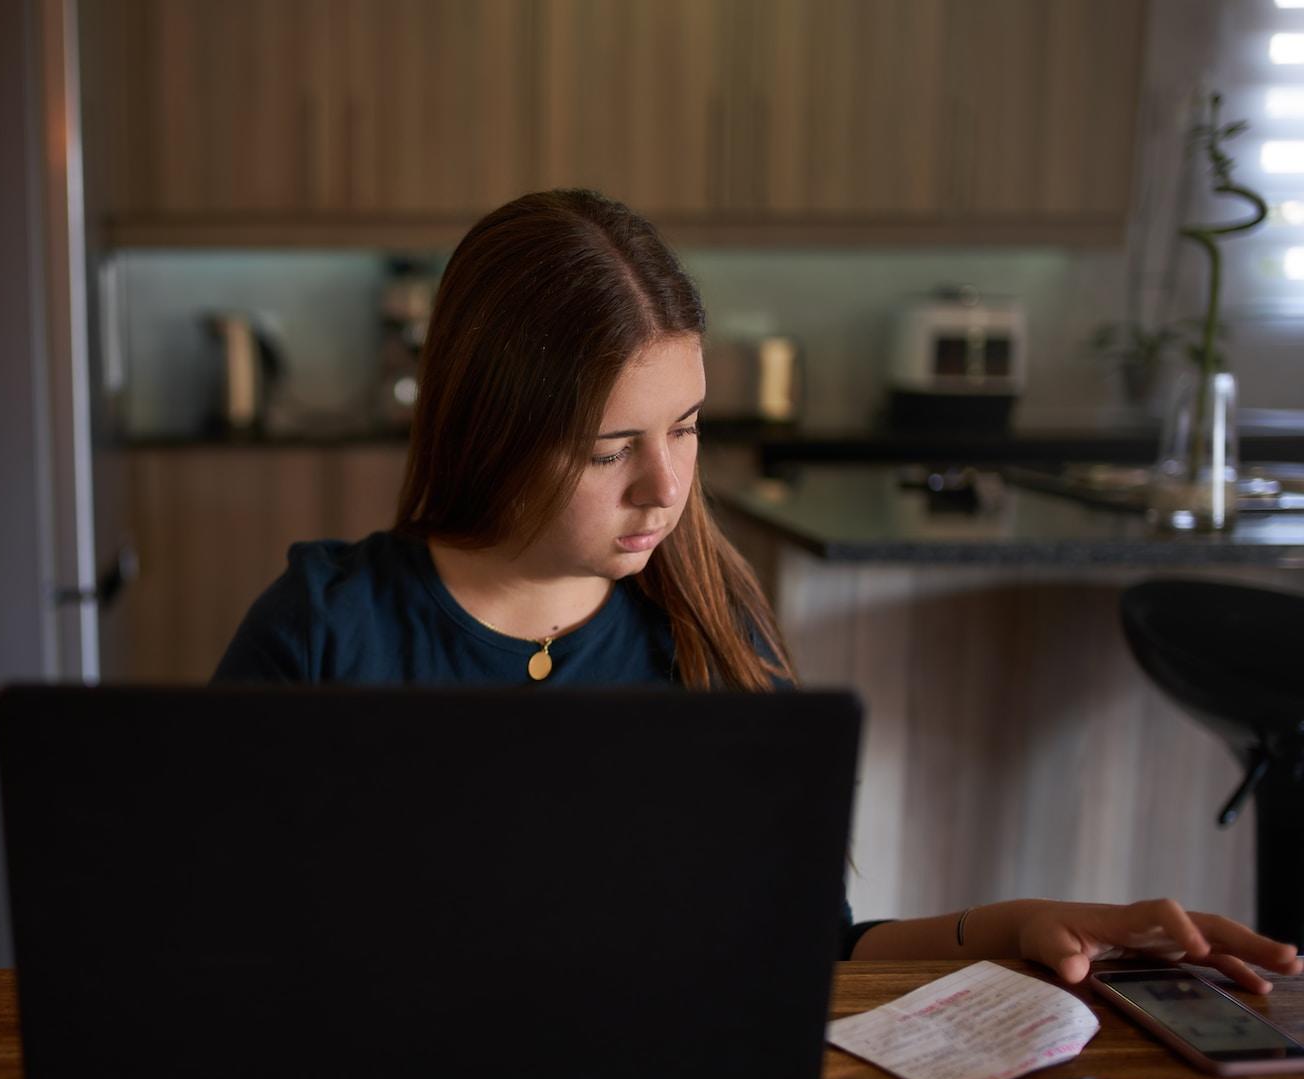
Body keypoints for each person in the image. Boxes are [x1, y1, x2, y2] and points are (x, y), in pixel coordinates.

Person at [214, 188, 1302, 994]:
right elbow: (210, 946)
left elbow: (809, 948)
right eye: (610, 450)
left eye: (686, 429)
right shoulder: (326, 630)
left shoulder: (706, 632)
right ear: (494, 434)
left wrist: (1015, 925)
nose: (667, 486)